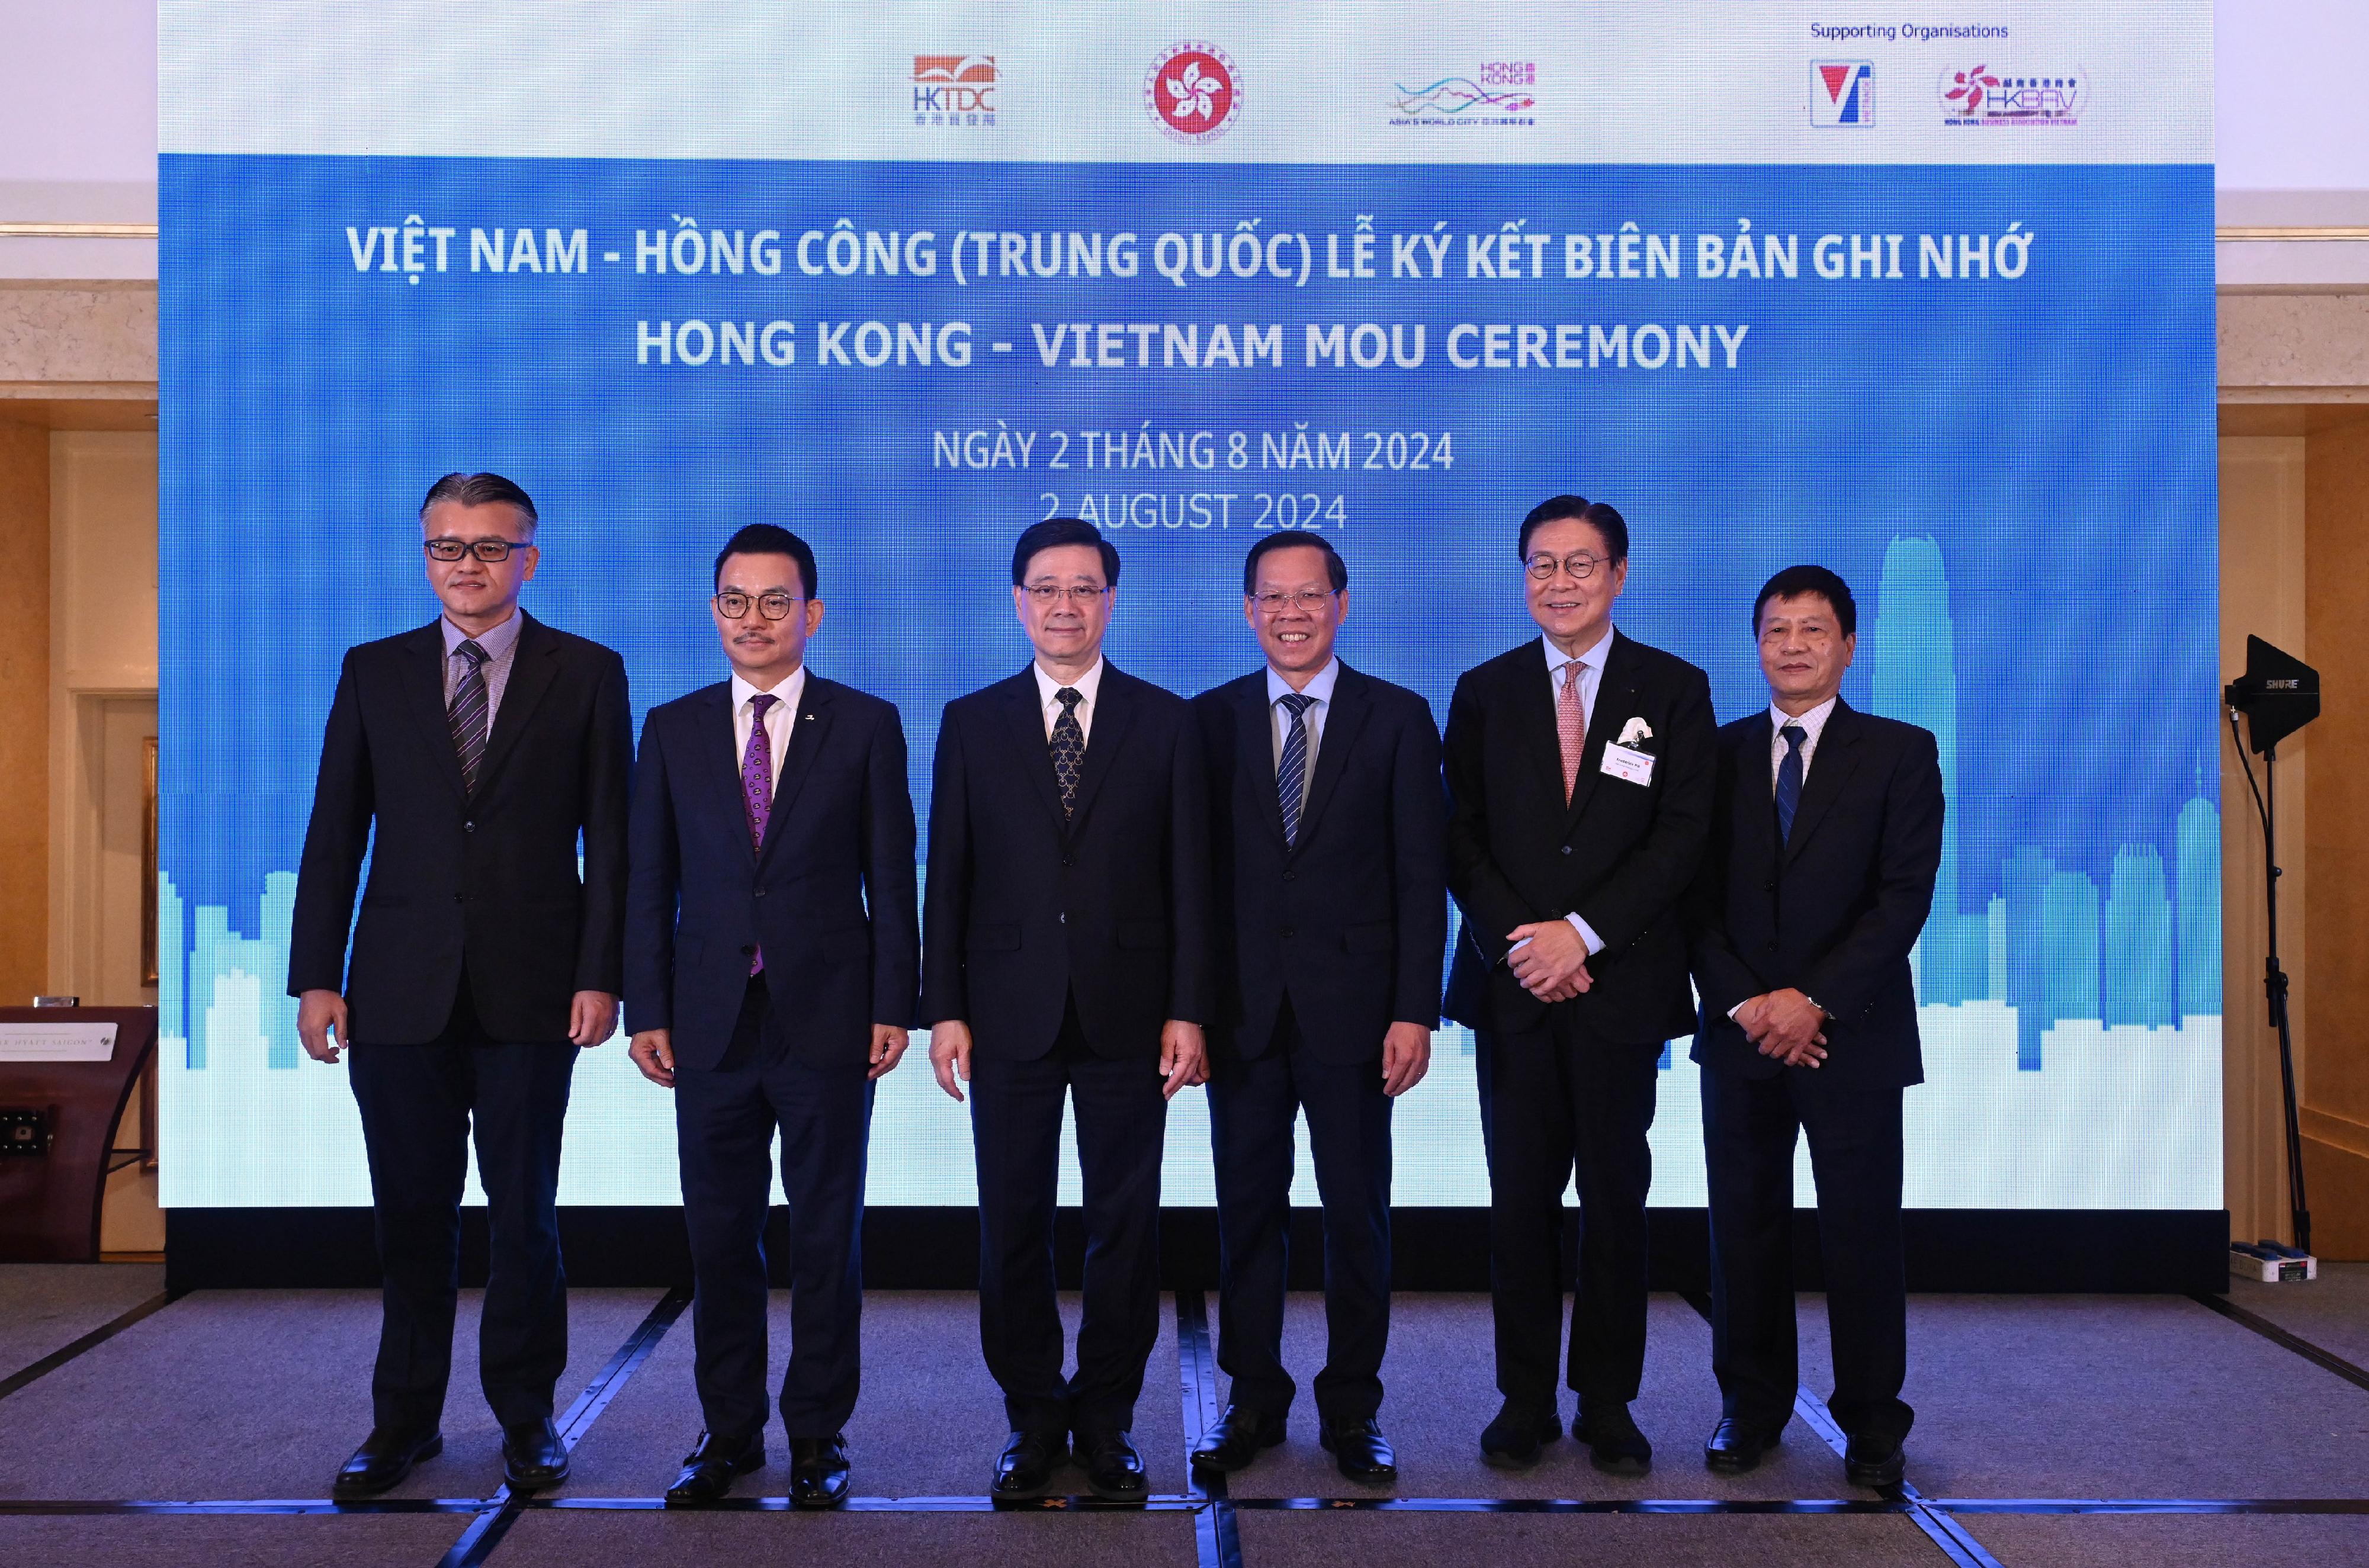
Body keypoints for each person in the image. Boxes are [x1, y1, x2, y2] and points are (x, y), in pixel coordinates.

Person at [289, 472, 630, 1499]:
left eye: (491, 547)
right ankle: (403, 1422)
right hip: (397, 990)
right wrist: (315, 975)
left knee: (526, 1214)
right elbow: (335, 832)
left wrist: (601, 973)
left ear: (530, 557)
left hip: (535, 989)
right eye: (450, 546)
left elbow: (610, 841)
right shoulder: (374, 671)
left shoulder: (588, 672)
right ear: (424, 554)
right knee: (411, 1216)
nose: (469, 565)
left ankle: (528, 1418)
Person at [622, 524, 917, 1508]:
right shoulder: (671, 728)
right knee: (720, 1237)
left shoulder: (867, 725)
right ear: (715, 613)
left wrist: (895, 1004)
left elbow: (892, 880)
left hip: (828, 1019)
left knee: (827, 1236)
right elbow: (647, 884)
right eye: (737, 602)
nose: (756, 619)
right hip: (707, 1021)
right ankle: (729, 1433)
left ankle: (820, 1435)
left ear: (813, 615)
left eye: (777, 601)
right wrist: (647, 1007)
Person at [921, 518, 1211, 1505]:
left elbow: (1190, 885)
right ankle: (1034, 1418)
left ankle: (1109, 1419)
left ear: (1111, 602)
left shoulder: (1166, 723)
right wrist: (943, 1007)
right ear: (1017, 602)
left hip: (1132, 1012)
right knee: (1013, 1224)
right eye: (1045, 588)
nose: (1064, 606)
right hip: (1005, 1012)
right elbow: (946, 879)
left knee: (1123, 1226)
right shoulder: (972, 721)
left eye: (1084, 589)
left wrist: (1187, 1007)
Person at [1442, 496, 1716, 1474]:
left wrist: (1584, 936)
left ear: (1620, 574)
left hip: (1620, 988)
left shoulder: (1674, 689)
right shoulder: (1484, 691)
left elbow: (1682, 837)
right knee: (1518, 1203)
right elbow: (1458, 835)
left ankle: (1607, 1401)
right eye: (1541, 566)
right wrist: (1528, 943)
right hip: (1516, 987)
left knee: (1614, 1199)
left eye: (1580, 565)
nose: (1559, 583)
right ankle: (1523, 1400)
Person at [1187, 531, 1444, 1487]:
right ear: (1249, 610)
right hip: (1242, 1017)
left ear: (1343, 603)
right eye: (1272, 598)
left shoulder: (1398, 718)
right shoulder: (1205, 724)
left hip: (1357, 1015)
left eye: (1310, 596)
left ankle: (1353, 1408)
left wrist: (1415, 1008)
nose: (1291, 613)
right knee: (1247, 1214)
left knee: (1356, 1217)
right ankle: (1252, 1398)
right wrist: (1191, 1010)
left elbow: (1424, 880)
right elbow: (1193, 884)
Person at [1685, 565, 1942, 1489]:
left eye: (1813, 629)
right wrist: (1751, 1006)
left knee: (1861, 1235)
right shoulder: (1711, 757)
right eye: (1776, 629)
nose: (1793, 645)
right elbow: (1691, 900)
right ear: (1757, 644)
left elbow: (1901, 898)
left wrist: (1812, 1002)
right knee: (1742, 1230)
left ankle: (1873, 1422)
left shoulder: (1902, 753)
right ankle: (1749, 1408)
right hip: (1742, 1036)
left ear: (1849, 643)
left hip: (1854, 1038)